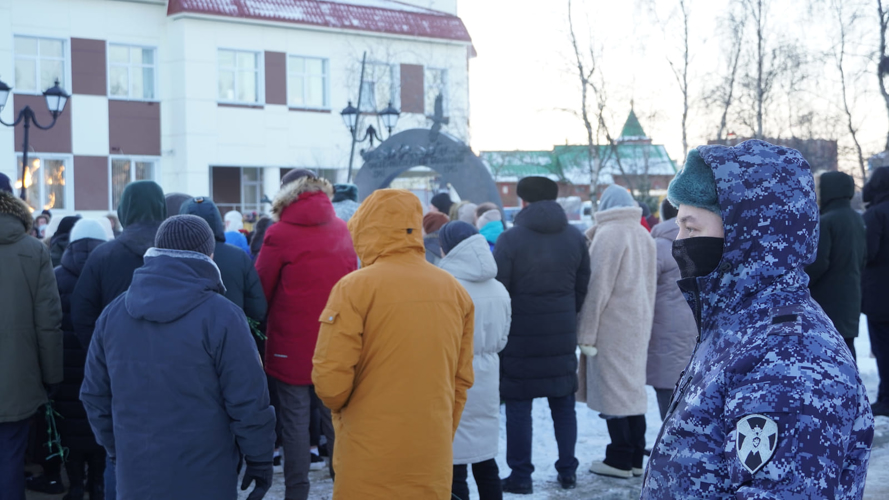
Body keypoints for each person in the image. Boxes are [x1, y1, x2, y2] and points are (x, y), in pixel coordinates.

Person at [641, 141, 874, 499]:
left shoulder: (792, 357)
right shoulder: (738, 326)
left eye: (691, 228)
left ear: (747, 234)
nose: (680, 243)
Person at [80, 215, 277, 500]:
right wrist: (259, 459)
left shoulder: (113, 314)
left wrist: (119, 450)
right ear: (209, 255)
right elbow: (248, 399)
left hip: (137, 477)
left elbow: (94, 396)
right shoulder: (223, 316)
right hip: (207, 479)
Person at [312, 189, 475, 499]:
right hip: (430, 446)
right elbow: (461, 379)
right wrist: (439, 429)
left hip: (368, 449)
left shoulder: (354, 288)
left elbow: (331, 384)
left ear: (365, 230)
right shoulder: (454, 290)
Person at [255, 175, 357, 500]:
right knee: (335, 419)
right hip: (334, 340)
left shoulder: (279, 233)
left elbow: (260, 290)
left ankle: (296, 493)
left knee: (295, 423)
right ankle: (345, 486)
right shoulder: (341, 229)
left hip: (290, 345)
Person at [494, 176, 590, 493]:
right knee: (563, 404)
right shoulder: (575, 238)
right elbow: (581, 287)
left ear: (523, 202)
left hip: (520, 334)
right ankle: (567, 472)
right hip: (561, 333)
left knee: (519, 407)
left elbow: (500, 290)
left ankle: (521, 476)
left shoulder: (511, 240)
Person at [71, 180, 166, 500]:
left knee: (121, 451)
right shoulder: (179, 253)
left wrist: (102, 355)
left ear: (124, 210)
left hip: (119, 370)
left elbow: (81, 313)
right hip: (179, 367)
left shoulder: (103, 256)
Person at [576, 184, 657, 479]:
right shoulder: (642, 233)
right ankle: (635, 457)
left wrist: (585, 334)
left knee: (613, 395)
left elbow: (597, 289)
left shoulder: (609, 235)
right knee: (631, 393)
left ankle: (619, 459)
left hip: (611, 326)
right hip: (637, 324)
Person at [438, 222, 511, 500]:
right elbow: (503, 339)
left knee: (454, 464)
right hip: (488, 376)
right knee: (485, 460)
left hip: (454, 377)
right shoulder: (498, 288)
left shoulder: (445, 286)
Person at [0, 177, 63, 500]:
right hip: (17, 377)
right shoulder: (34, 251)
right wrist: (52, 376)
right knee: (10, 458)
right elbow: (48, 321)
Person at [54, 219, 109, 500]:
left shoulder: (56, 276)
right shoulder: (108, 274)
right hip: (101, 367)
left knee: (70, 429)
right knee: (98, 424)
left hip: (64, 367)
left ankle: (75, 485)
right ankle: (97, 485)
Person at [805, 171, 867, 361]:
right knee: (847, 350)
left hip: (828, 300)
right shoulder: (857, 219)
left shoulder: (826, 221)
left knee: (830, 353)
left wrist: (802, 282)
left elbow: (818, 263)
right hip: (851, 297)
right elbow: (864, 257)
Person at [646, 200, 697, 420]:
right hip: (696, 324)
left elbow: (645, 288)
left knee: (667, 389)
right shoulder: (701, 240)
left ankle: (669, 447)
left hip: (664, 329)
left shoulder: (658, 246)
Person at [180, 197, 267, 323]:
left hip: (186, 338)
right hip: (232, 334)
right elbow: (258, 308)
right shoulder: (239, 256)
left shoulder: (174, 260)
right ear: (217, 220)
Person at [863, 166, 889, 417]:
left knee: (883, 348)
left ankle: (886, 399)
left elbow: (867, 253)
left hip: (880, 294)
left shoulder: (875, 215)